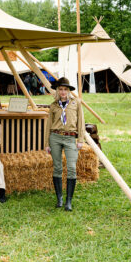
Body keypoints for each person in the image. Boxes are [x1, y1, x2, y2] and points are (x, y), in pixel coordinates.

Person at [44, 77, 84, 211]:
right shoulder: (53, 105)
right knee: (57, 168)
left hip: (70, 138)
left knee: (72, 168)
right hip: (55, 137)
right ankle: (59, 198)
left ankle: (69, 201)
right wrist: (47, 143)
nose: (62, 92)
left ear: (69, 91)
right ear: (57, 91)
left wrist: (81, 140)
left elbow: (81, 122)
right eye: (60, 89)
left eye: (65, 89)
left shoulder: (76, 103)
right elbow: (49, 124)